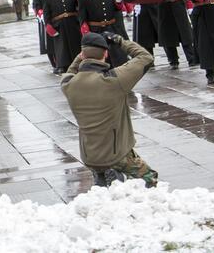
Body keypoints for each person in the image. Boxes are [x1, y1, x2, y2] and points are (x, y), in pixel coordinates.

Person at [60, 32, 157, 188]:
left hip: (89, 156)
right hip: (116, 154)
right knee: (150, 179)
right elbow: (145, 58)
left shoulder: (69, 84)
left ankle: (103, 174)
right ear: (105, 53)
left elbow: (69, 72)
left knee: (107, 178)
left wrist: (82, 55)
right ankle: (112, 173)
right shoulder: (114, 80)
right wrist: (120, 41)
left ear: (83, 55)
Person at [78, 0, 130, 67]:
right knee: (102, 58)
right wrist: (86, 32)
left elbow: (117, 10)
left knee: (119, 57)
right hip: (96, 30)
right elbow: (82, 16)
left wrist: (119, 3)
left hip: (112, 28)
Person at [42, 0, 82, 74]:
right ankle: (63, 65)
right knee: (61, 47)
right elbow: (46, 14)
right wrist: (48, 26)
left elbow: (79, 8)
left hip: (73, 22)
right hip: (58, 25)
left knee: (76, 44)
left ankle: (79, 63)